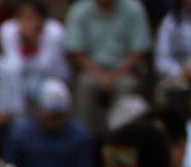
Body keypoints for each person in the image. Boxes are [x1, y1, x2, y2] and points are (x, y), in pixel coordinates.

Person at [64, 0, 149, 134]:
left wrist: (114, 75)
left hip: (124, 71)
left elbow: (138, 51)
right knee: (85, 85)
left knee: (126, 86)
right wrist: (100, 75)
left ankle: (119, 141)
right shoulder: (79, 10)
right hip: (91, 71)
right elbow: (75, 51)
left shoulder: (134, 9)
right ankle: (85, 139)